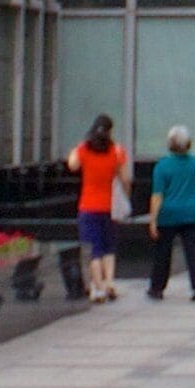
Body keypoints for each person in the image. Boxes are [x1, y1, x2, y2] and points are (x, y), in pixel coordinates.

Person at [144, 124, 195, 301]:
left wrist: (152, 220)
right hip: (191, 211)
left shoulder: (162, 166)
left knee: (162, 252)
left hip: (168, 214)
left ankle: (157, 287)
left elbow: (157, 195)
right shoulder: (194, 163)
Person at [69, 115, 128, 304]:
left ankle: (98, 287)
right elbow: (125, 178)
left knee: (94, 250)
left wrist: (78, 148)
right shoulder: (116, 151)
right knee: (109, 247)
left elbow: (72, 164)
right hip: (109, 207)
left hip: (88, 206)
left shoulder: (84, 150)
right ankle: (110, 282)